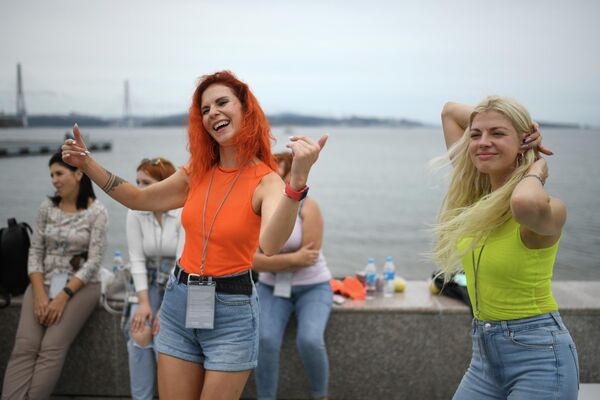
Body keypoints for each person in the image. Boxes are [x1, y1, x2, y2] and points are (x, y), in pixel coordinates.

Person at [60, 70, 327, 400]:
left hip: (233, 312)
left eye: (222, 102)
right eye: (205, 109)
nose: (213, 112)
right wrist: (87, 164)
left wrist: (297, 182)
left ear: (246, 109)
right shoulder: (195, 172)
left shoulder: (267, 180)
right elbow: (137, 198)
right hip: (178, 302)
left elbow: (270, 245)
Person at [436, 96, 579, 399]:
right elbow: (449, 112)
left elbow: (523, 201)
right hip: (484, 360)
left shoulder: (546, 210)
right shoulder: (477, 202)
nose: (482, 142)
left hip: (540, 359)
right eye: (476, 135)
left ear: (523, 143)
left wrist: (537, 166)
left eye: (498, 134)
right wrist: (519, 126)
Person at [2, 152, 108, 400]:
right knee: (25, 347)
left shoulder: (97, 212)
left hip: (81, 286)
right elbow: (36, 252)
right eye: (52, 175)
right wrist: (39, 294)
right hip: (43, 282)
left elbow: (93, 262)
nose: (54, 180)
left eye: (59, 173)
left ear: (79, 174)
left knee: (51, 347)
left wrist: (61, 298)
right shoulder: (46, 208)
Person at [253, 151, 333, 400]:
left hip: (313, 287)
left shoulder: (309, 207)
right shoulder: (258, 209)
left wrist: (270, 260)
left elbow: (308, 257)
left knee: (310, 340)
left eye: (280, 169)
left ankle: (320, 395)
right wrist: (290, 260)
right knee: (265, 340)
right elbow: (251, 261)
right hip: (270, 288)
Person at [125, 157, 185, 400]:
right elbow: (136, 259)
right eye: (137, 182)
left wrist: (165, 308)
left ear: (164, 185)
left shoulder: (183, 210)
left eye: (146, 182)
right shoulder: (134, 211)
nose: (138, 189)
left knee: (163, 336)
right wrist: (144, 304)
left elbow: (182, 263)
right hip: (146, 282)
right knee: (139, 332)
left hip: (179, 283)